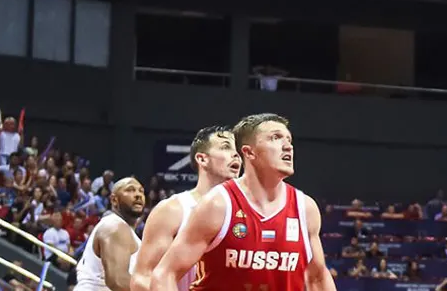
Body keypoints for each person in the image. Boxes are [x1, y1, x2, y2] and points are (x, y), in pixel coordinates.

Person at [138, 114, 333, 291]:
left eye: (288, 139)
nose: (288, 146)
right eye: (275, 138)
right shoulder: (215, 204)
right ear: (249, 153)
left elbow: (317, 278)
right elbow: (160, 274)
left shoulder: (305, 208)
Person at [132, 126, 240, 291]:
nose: (236, 154)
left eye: (237, 149)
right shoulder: (173, 209)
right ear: (202, 159)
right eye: (225, 147)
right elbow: (142, 278)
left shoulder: (248, 212)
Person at [76, 177, 147, 291]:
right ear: (114, 200)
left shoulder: (124, 230)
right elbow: (118, 281)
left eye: (141, 191)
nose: (138, 195)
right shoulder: (114, 226)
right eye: (130, 190)